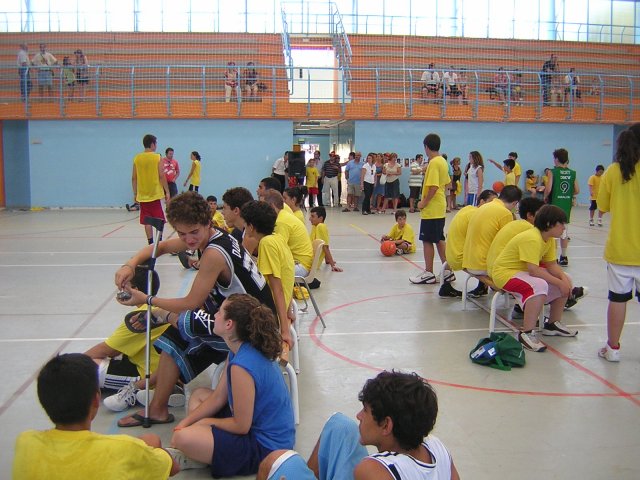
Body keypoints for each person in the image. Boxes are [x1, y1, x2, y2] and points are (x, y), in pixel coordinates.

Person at [114, 192, 276, 427]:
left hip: (254, 330)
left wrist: (147, 300)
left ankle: (165, 383)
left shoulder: (214, 253)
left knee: (184, 323)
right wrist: (130, 265)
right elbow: (160, 247)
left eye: (193, 232)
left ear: (208, 223)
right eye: (181, 233)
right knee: (177, 333)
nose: (188, 239)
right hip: (240, 318)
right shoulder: (209, 236)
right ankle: (160, 403)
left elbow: (191, 302)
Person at [169, 294, 295, 476]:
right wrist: (186, 422)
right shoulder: (239, 349)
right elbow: (218, 397)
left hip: (266, 447)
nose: (215, 315)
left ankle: (202, 450)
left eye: (219, 312)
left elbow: (241, 426)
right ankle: (203, 449)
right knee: (199, 395)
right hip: (254, 425)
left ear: (229, 324)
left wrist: (204, 422)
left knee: (183, 438)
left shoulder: (242, 366)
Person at [257, 370, 460, 480]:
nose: (359, 416)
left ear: (386, 425)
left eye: (365, 411)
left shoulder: (374, 470)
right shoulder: (437, 447)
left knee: (277, 461)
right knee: (341, 425)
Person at [12, 353, 177, 479]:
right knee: (152, 440)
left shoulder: (26, 442)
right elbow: (172, 467)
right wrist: (148, 444)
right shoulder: (125, 448)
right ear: (96, 400)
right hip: (140, 452)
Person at [83, 265, 175, 411]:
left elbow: (105, 350)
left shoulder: (138, 318)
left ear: (135, 290)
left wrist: (71, 366)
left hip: (147, 374)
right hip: (164, 370)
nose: (120, 291)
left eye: (124, 287)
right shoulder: (157, 309)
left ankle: (149, 390)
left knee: (87, 368)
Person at [490, 205, 578, 352]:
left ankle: (552, 324)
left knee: (566, 279)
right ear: (549, 224)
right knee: (539, 285)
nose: (564, 227)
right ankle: (526, 333)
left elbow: (551, 265)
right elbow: (534, 270)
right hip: (505, 273)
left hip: (522, 273)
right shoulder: (532, 238)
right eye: (561, 223)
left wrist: (563, 279)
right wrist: (559, 282)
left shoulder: (549, 239)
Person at [596, 124, 640, 362]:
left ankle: (613, 348)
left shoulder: (613, 171)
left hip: (620, 249)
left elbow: (603, 206)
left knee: (618, 299)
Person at [240, 200, 295, 348]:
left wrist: (284, 330)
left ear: (251, 227)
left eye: (245, 224)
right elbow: (288, 277)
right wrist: (289, 309)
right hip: (275, 308)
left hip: (270, 313)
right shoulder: (278, 238)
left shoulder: (267, 244)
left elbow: (278, 288)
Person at [462, 185, 523, 296]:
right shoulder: (505, 213)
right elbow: (508, 243)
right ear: (515, 203)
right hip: (482, 265)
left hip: (468, 259)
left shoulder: (485, 206)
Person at [410, 133, 453, 285]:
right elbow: (447, 183)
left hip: (432, 208)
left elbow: (433, 187)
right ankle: (448, 271)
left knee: (427, 240)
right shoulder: (442, 161)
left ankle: (429, 273)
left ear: (426, 147)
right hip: (439, 206)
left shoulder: (434, 163)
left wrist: (423, 202)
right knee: (439, 239)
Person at [438, 189, 498, 298]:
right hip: (460, 258)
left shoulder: (468, 209)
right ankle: (500, 287)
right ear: (482, 202)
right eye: (491, 202)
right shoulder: (477, 215)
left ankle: (483, 287)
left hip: (451, 254)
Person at [263, 190, 313, 278]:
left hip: (300, 267)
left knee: (264, 271)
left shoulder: (281, 222)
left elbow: (278, 250)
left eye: (263, 207)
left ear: (272, 206)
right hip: (301, 263)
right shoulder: (284, 214)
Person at [132, 134, 170, 244]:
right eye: (156, 143)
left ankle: (150, 242)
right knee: (160, 219)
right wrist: (167, 191)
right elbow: (161, 175)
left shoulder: (137, 158)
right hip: (156, 194)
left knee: (147, 220)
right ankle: (159, 242)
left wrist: (135, 193)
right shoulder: (157, 157)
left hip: (143, 195)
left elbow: (134, 178)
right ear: (152, 144)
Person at [544, 148, 579, 266]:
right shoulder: (572, 173)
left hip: (554, 205)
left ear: (556, 159)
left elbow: (548, 189)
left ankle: (552, 258)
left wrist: (545, 196)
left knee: (551, 232)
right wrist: (567, 194)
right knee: (564, 232)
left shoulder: (552, 172)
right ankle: (564, 257)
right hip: (566, 206)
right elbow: (577, 190)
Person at [310, 206, 343, 272]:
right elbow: (322, 243)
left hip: (310, 263)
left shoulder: (321, 226)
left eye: (312, 216)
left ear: (321, 218)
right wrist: (327, 260)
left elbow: (325, 247)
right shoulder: (315, 226)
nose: (309, 219)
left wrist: (332, 265)